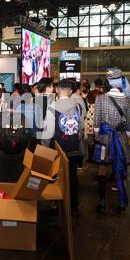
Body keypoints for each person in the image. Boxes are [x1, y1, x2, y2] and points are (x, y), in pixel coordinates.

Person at [93, 69, 130, 213]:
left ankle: (102, 202)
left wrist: (98, 135)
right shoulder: (128, 100)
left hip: (104, 138)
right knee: (119, 170)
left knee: (102, 170)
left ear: (109, 82)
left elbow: (96, 123)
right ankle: (121, 203)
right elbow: (129, 127)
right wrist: (123, 136)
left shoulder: (101, 98)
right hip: (121, 138)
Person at [47, 79, 83, 218]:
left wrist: (45, 147)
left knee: (56, 176)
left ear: (57, 90)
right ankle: (73, 207)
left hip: (56, 147)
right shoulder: (78, 106)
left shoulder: (51, 107)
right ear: (70, 91)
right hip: (73, 147)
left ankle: (55, 203)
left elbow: (47, 132)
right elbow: (80, 127)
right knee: (72, 177)